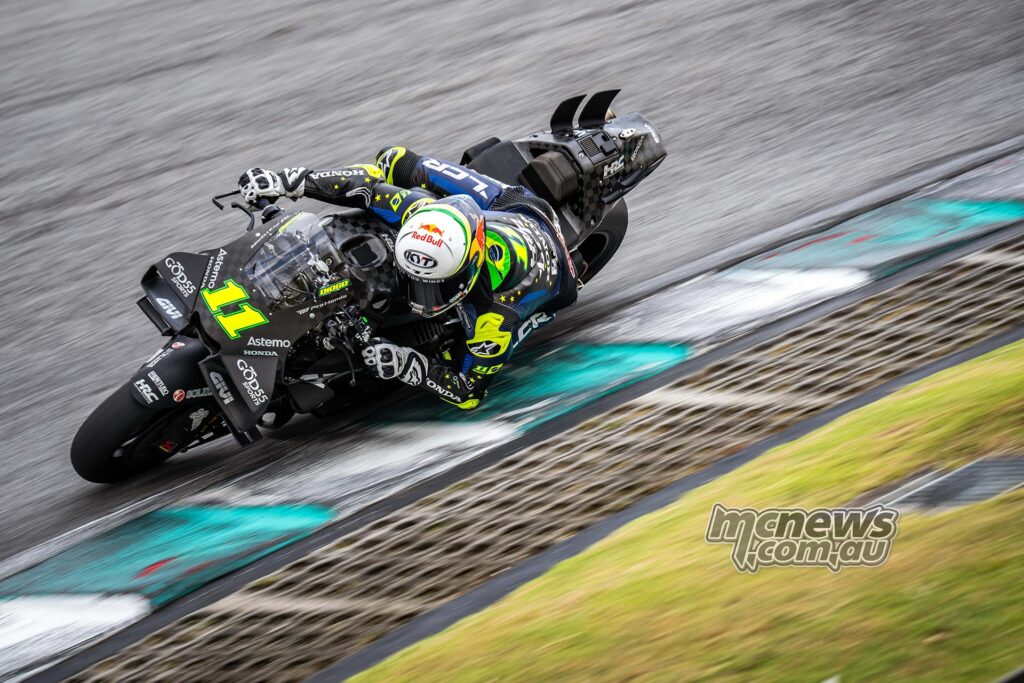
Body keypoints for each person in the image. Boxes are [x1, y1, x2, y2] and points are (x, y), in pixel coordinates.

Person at [238, 147, 579, 410]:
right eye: (417, 282)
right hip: (488, 217)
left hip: (535, 238)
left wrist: (410, 365)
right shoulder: (419, 211)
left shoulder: (497, 314)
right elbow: (364, 187)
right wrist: (289, 182)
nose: (421, 297)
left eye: (433, 287)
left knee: (452, 353)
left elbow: (468, 392)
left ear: (468, 269)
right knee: (394, 159)